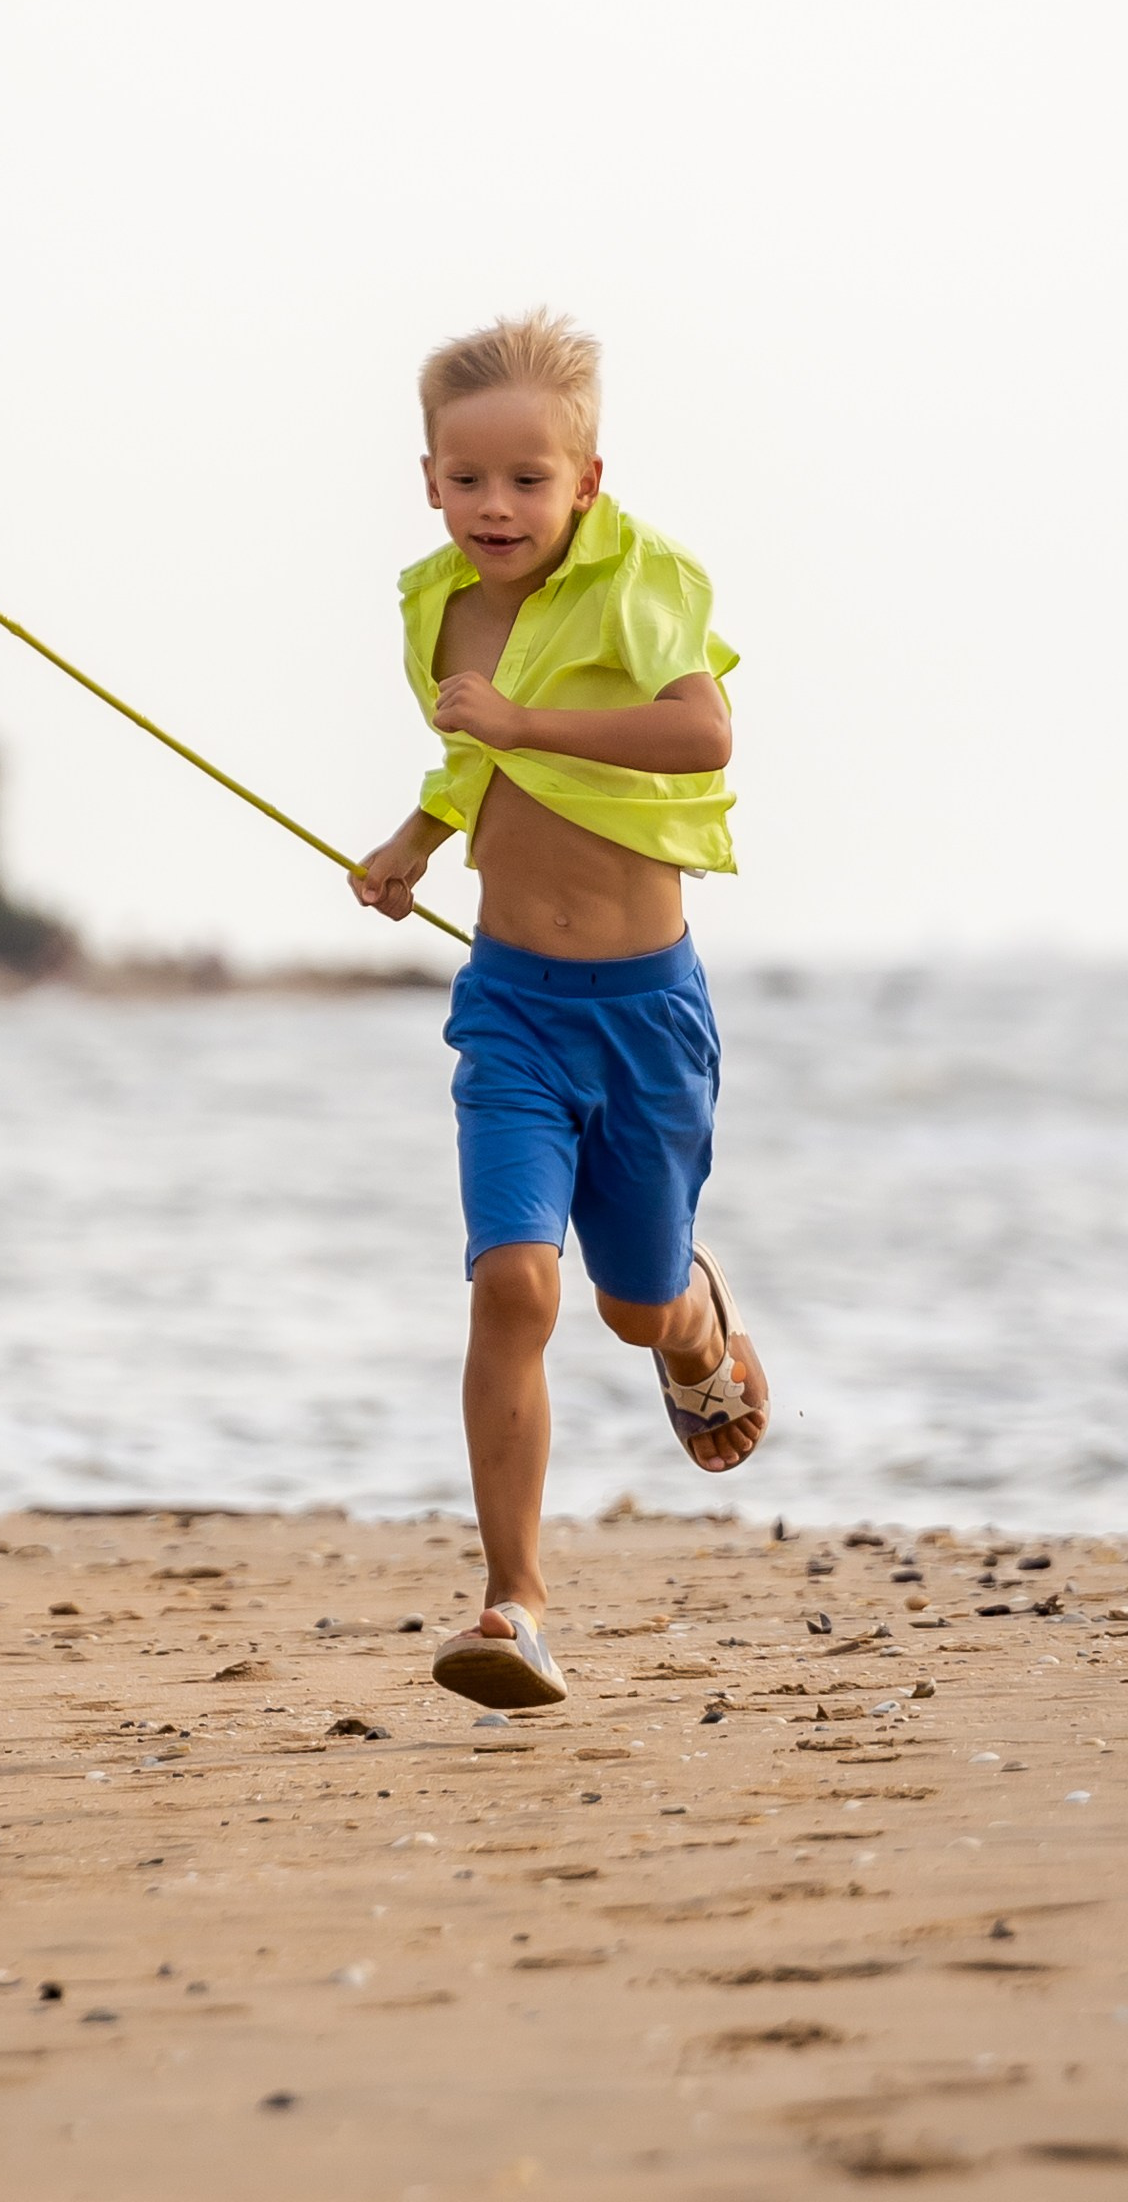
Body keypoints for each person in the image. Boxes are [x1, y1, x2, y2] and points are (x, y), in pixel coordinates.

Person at [352, 310, 768, 1711]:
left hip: (645, 1010)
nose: (497, 507)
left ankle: (699, 1318)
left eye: (529, 480)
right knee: (512, 1283)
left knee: (631, 1305)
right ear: (429, 481)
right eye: (469, 481)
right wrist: (417, 837)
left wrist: (526, 729)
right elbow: (481, 755)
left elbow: (701, 733)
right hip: (513, 1002)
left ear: (586, 480)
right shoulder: (438, 605)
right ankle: (514, 1604)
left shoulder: (644, 580)